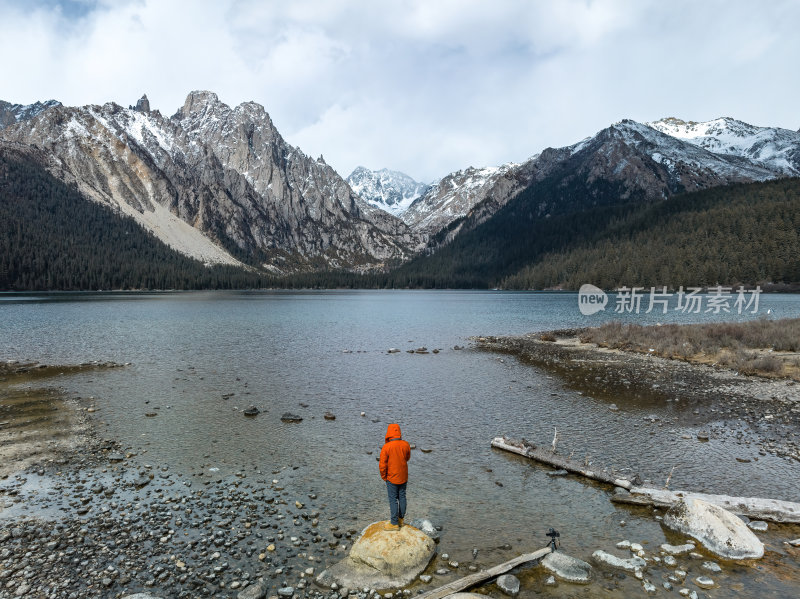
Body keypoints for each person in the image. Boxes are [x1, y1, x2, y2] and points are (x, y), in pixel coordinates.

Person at [379, 423, 411, 531]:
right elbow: (407, 458)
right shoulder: (406, 444)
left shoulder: (386, 447)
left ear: (389, 433)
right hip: (403, 476)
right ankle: (401, 520)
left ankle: (393, 523)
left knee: (393, 499)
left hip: (391, 477)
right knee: (402, 496)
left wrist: (384, 477)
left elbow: (382, 464)